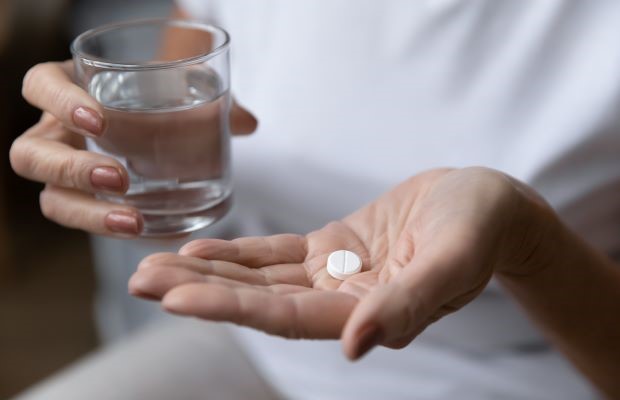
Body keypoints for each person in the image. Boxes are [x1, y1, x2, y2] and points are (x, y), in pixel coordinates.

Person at [9, 1, 620, 399]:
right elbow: (180, 81)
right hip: (271, 344)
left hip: (543, 371)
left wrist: (528, 241)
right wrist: (113, 134)